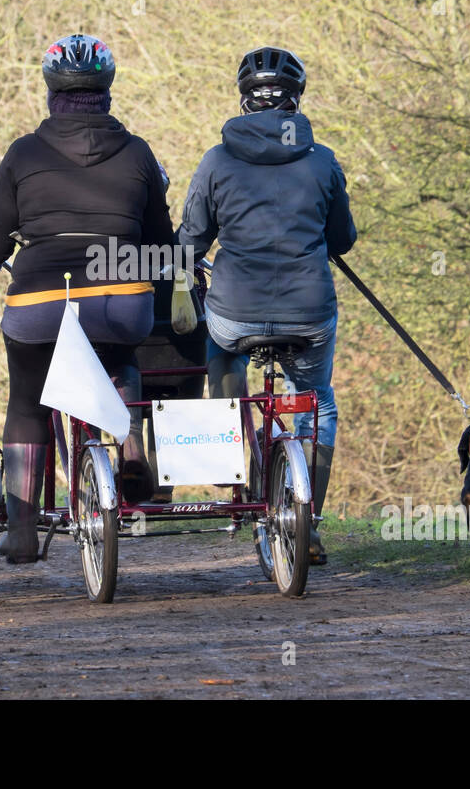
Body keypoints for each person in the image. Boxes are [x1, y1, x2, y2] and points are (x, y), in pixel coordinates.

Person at [0, 33, 174, 563]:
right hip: (121, 298)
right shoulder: (139, 153)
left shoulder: (23, 153)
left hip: (39, 301)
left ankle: (25, 529)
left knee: (29, 400)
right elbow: (162, 244)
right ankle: (129, 446)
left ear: (51, 91)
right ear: (107, 91)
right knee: (120, 356)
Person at [178, 46, 357, 565]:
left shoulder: (216, 160)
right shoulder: (322, 160)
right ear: (296, 100)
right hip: (309, 312)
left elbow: (191, 241)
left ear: (243, 100)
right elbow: (342, 239)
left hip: (235, 311)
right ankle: (309, 521)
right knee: (317, 401)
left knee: (221, 345)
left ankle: (229, 435)